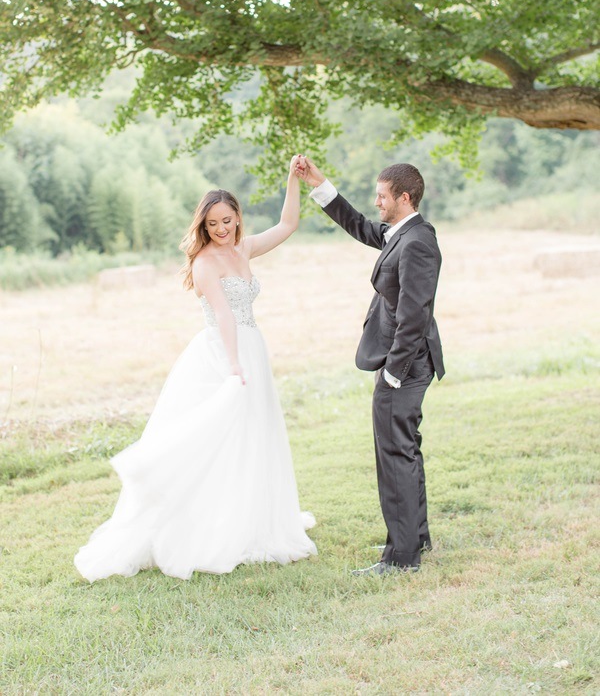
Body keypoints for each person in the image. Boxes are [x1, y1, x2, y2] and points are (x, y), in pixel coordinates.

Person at [74, 156, 316, 581]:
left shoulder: (243, 247)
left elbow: (288, 225)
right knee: (216, 439)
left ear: (238, 217)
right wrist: (234, 365)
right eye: (213, 225)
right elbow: (223, 316)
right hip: (223, 354)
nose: (222, 230)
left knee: (254, 435)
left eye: (227, 221)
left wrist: (292, 181)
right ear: (203, 227)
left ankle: (252, 518)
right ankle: (210, 526)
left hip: (252, 347)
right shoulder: (205, 263)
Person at [295, 157, 444, 575]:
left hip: (406, 366)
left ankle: (401, 558)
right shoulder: (403, 233)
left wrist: (393, 372)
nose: (376, 202)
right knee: (406, 449)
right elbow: (360, 225)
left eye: (382, 196)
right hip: (408, 362)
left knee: (394, 454)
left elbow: (415, 314)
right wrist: (320, 184)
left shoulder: (418, 242)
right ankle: (415, 538)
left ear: (404, 197)